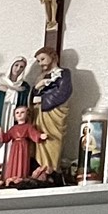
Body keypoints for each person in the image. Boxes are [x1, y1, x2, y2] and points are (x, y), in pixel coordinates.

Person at [28, 49, 72, 179]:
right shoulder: (40, 76)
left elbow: (64, 92)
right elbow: (33, 95)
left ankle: (51, 169)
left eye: (42, 59)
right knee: (39, 141)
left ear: (53, 57)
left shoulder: (64, 73)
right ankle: (40, 169)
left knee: (52, 139)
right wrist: (36, 88)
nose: (40, 63)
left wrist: (43, 99)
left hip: (54, 112)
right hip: (39, 113)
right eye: (38, 61)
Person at [0, 104, 44, 184]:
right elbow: (6, 138)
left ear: (27, 114)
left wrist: (40, 135)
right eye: (17, 113)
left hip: (23, 146)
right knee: (13, 162)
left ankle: (20, 179)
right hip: (14, 147)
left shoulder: (28, 127)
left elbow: (33, 133)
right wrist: (0, 133)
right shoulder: (14, 128)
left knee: (22, 161)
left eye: (22, 112)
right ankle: (10, 179)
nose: (19, 114)